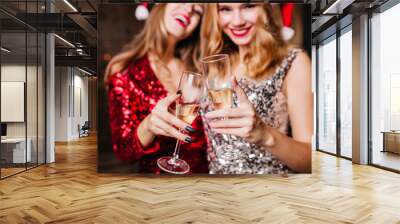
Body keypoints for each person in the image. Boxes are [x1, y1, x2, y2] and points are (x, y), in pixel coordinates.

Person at [200, 3, 313, 174]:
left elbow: (312, 161)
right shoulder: (216, 65)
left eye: (248, 6)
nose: (237, 21)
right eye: (225, 9)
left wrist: (266, 135)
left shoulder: (294, 62)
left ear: (266, 9)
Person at [105, 3, 208, 173]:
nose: (189, 9)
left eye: (197, 10)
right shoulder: (124, 70)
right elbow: (123, 152)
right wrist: (148, 126)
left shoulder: (196, 69)